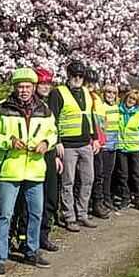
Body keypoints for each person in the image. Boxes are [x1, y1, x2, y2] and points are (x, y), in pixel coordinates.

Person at [0, 67, 57, 276]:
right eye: (20, 86)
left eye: (27, 86)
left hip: (35, 170)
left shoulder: (44, 109)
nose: (24, 90)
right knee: (4, 215)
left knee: (36, 213)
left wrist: (46, 142)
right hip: (10, 169)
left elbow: (53, 132)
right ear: (15, 88)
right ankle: (0, 258)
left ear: (34, 88)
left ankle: (32, 251)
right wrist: (8, 142)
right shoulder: (1, 108)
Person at [47, 61, 100, 232]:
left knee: (88, 180)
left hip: (85, 143)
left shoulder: (86, 92)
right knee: (67, 182)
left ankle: (82, 213)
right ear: (68, 76)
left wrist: (96, 138)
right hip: (68, 145)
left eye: (81, 76)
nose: (78, 78)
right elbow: (52, 119)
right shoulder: (58, 93)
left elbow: (90, 116)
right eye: (74, 75)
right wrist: (57, 141)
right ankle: (69, 216)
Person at [35, 67, 63, 251]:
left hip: (49, 154)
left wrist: (54, 153)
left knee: (50, 197)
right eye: (42, 83)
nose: (46, 86)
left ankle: (43, 235)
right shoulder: (32, 105)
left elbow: (52, 130)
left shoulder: (47, 106)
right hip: (34, 156)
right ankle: (27, 238)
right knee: (33, 202)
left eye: (48, 83)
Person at [116, 88, 139, 209]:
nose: (131, 101)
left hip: (135, 148)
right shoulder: (117, 111)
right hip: (121, 147)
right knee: (123, 174)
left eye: (134, 99)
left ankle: (138, 198)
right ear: (126, 97)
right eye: (130, 98)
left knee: (136, 174)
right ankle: (125, 197)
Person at [91, 83, 120, 215]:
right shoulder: (101, 106)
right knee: (101, 174)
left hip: (114, 144)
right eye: (108, 92)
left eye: (113, 93)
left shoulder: (117, 107)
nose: (111, 95)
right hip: (104, 144)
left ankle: (107, 198)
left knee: (109, 173)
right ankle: (100, 199)